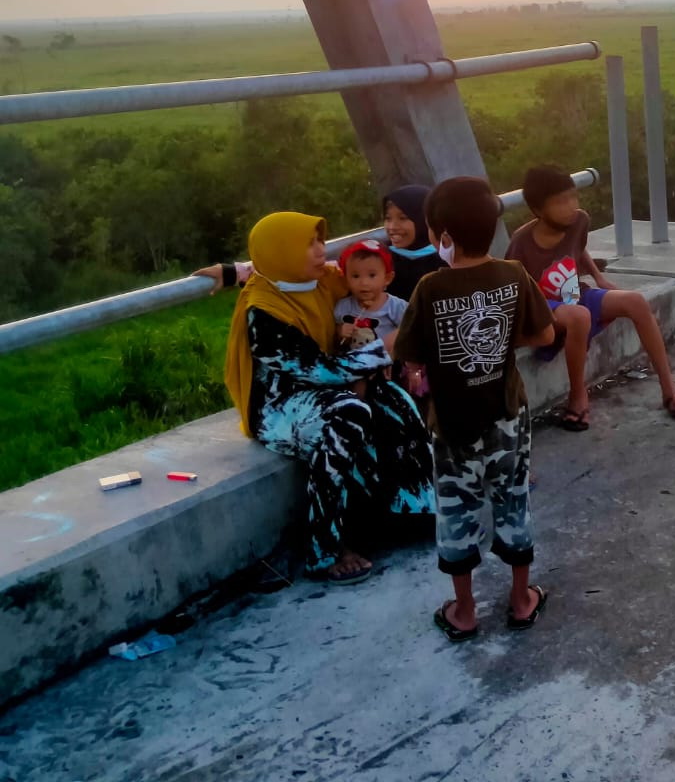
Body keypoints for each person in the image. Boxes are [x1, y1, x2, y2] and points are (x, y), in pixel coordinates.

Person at [196, 212, 434, 585]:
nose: (321, 250)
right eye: (308, 244)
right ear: (284, 253)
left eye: (320, 240)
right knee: (348, 414)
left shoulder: (319, 279)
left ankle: (413, 511)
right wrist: (385, 349)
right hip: (279, 405)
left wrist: (232, 272)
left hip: (330, 384)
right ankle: (325, 548)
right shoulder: (265, 311)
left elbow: (358, 272)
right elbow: (319, 372)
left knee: (395, 400)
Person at [393, 176, 555, 641]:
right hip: (507, 417)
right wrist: (500, 342)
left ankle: (464, 612)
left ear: (444, 236)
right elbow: (545, 333)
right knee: (513, 500)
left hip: (452, 426)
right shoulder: (513, 274)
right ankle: (521, 600)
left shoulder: (430, 286)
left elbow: (410, 356)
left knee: (456, 511)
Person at [507, 165, 675, 432]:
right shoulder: (521, 242)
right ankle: (578, 396)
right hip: (544, 307)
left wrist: (598, 277)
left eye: (573, 197)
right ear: (538, 210)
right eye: (560, 202)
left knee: (635, 301)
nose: (571, 206)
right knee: (580, 316)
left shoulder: (579, 221)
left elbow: (579, 249)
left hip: (574, 294)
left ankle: (669, 391)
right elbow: (513, 288)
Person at [333, 239, 407, 355]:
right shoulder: (343, 307)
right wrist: (341, 332)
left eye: (372, 275)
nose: (364, 282)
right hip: (354, 361)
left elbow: (409, 331)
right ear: (346, 280)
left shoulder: (396, 307)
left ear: (387, 278)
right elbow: (338, 341)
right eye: (355, 276)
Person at [381, 185, 441, 302]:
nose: (392, 227)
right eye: (388, 218)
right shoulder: (380, 258)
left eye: (403, 218)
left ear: (424, 220)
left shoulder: (446, 259)